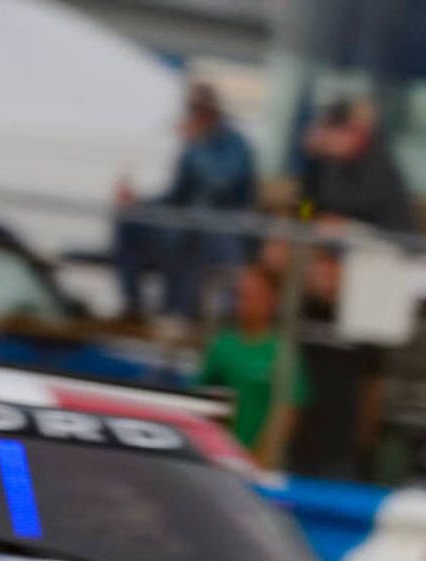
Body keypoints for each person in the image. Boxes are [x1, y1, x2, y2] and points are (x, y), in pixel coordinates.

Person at [113, 83, 255, 324]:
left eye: (199, 110)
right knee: (130, 222)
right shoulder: (194, 144)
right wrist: (140, 203)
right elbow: (177, 193)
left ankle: (177, 311)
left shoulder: (235, 144)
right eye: (193, 110)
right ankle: (133, 304)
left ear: (212, 111)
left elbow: (222, 185)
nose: (195, 116)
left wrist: (197, 147)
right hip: (186, 221)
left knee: (180, 236)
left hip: (222, 227)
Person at [288, 248, 385, 480]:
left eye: (334, 270)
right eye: (322, 268)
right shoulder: (296, 311)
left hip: (340, 443)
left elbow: (372, 384)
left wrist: (365, 440)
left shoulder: (362, 321)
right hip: (298, 436)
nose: (327, 277)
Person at [197, 264, 308, 464]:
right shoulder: (223, 345)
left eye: (251, 297)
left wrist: (261, 458)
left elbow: (288, 410)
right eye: (241, 296)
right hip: (218, 458)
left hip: (259, 462)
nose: (243, 304)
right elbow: (200, 396)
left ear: (271, 300)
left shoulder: (281, 352)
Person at [299, 99, 415, 235]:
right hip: (342, 246)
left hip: (387, 246)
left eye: (335, 130)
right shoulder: (324, 165)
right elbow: (308, 202)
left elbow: (344, 205)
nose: (328, 137)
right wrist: (313, 159)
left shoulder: (378, 163)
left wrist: (327, 161)